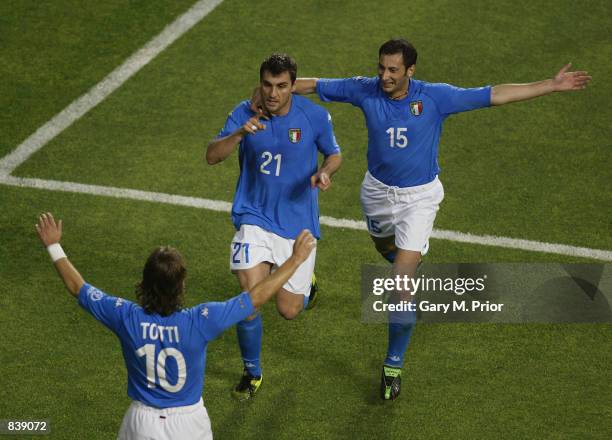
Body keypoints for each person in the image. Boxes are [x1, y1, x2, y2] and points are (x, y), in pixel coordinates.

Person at [278, 38, 592, 400]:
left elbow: (492, 94)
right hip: (377, 194)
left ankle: (393, 362)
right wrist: (273, 91)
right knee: (389, 253)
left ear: (410, 70)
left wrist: (549, 86)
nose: (385, 75)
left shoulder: (434, 97)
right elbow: (315, 85)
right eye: (381, 67)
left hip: (419, 199)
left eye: (393, 70)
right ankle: (352, 274)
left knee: (401, 283)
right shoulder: (364, 89)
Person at [35, 212, 316, 439]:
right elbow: (256, 298)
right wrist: (295, 260)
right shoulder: (201, 320)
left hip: (141, 423)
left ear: (144, 283)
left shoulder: (124, 316)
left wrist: (53, 245)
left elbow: (78, 287)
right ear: (181, 285)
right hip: (189, 425)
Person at [206, 53, 342, 400]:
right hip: (254, 218)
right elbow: (211, 156)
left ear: (293, 86)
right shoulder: (245, 112)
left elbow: (334, 153)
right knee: (249, 303)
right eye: (267, 84)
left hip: (297, 225)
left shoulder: (313, 116)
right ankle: (252, 372)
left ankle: (306, 285)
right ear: (260, 83)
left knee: (288, 310)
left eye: (281, 86)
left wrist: (325, 172)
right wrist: (239, 133)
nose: (273, 93)